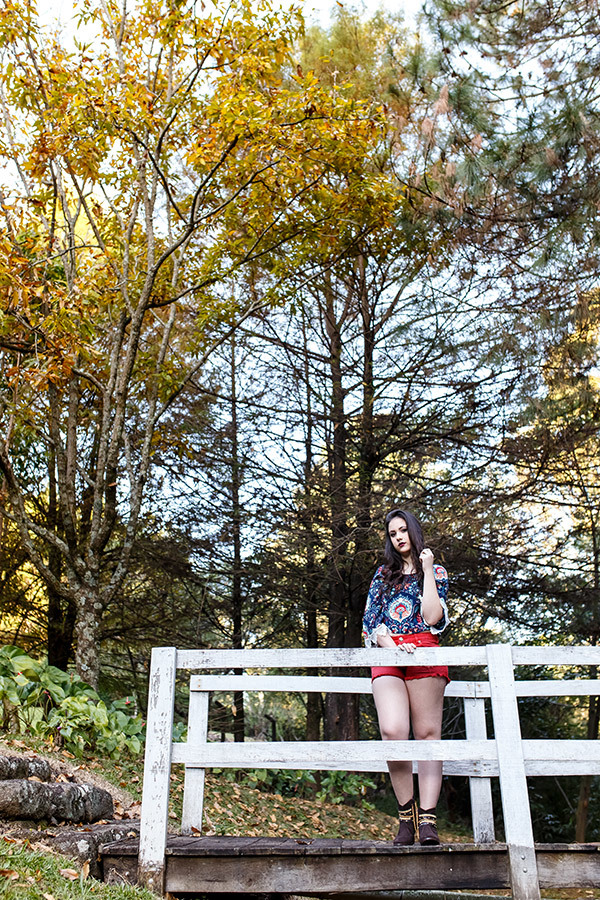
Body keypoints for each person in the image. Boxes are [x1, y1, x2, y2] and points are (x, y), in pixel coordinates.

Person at [363, 509, 450, 846]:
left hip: (425, 651)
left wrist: (427, 570)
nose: (399, 537)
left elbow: (433, 617)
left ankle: (427, 821)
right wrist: (389, 644)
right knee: (393, 731)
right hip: (388, 653)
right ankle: (405, 817)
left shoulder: (437, 571)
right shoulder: (384, 575)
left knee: (428, 734)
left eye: (403, 530)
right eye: (393, 533)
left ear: (414, 531)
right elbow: (370, 620)